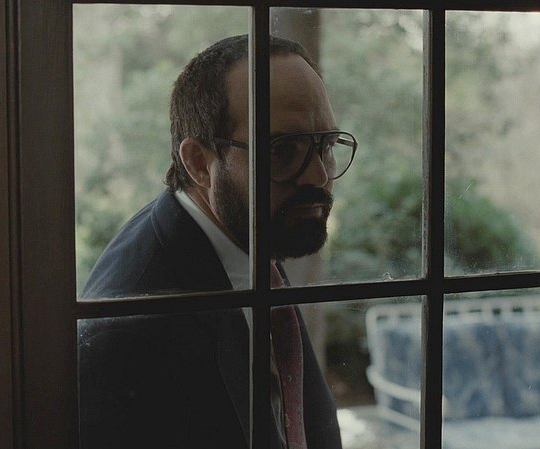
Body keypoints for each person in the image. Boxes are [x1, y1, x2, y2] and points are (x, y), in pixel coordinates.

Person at [79, 34, 356, 449]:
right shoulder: (131, 330)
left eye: (326, 145)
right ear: (198, 163)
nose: (318, 175)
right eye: (283, 150)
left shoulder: (248, 231)